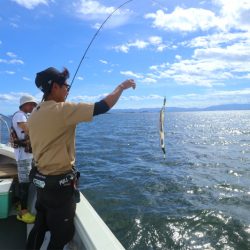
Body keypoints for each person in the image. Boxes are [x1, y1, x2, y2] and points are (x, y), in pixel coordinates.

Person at [26, 67, 136, 249]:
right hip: (59, 187)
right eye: (65, 86)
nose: (68, 90)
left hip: (41, 183)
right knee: (61, 236)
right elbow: (103, 106)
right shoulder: (62, 110)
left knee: (40, 226)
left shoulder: (35, 113)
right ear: (54, 87)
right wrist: (121, 86)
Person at [11, 95, 37, 223]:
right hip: (23, 156)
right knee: (24, 184)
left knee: (25, 182)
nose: (33, 106)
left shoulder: (23, 115)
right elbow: (29, 129)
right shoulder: (20, 115)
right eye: (31, 104)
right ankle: (23, 213)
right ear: (24, 105)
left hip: (25, 155)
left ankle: (19, 205)